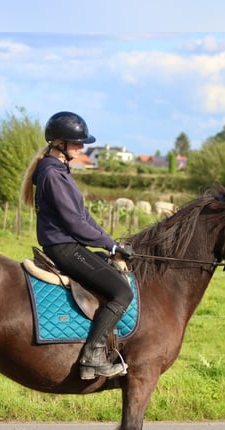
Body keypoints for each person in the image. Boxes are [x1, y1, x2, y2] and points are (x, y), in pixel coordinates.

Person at [21, 111, 134, 380]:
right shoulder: (52, 174)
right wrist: (111, 247)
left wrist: (111, 244)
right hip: (63, 247)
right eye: (77, 143)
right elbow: (74, 223)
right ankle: (92, 355)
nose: (81, 148)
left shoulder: (58, 170)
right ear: (59, 143)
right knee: (121, 293)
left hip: (67, 244)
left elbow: (85, 218)